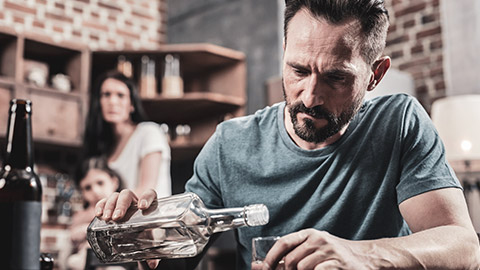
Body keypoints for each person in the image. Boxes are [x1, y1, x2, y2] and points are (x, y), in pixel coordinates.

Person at [94, 0, 480, 269]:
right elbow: (177, 258)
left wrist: (361, 256)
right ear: (283, 51)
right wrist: (146, 238)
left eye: (336, 77)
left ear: (375, 74)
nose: (311, 96)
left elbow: (463, 246)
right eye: (298, 70)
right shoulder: (230, 146)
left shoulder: (398, 124)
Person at [83, 70, 171, 198]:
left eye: (120, 95)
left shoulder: (149, 132)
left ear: (132, 104)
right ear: (99, 102)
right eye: (106, 94)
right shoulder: (106, 148)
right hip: (123, 216)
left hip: (156, 217)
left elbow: (147, 190)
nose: (112, 101)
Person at [67, 157, 123, 270]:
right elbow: (72, 239)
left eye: (100, 183)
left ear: (114, 182)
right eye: (88, 188)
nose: (95, 191)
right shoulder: (81, 215)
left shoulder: (122, 209)